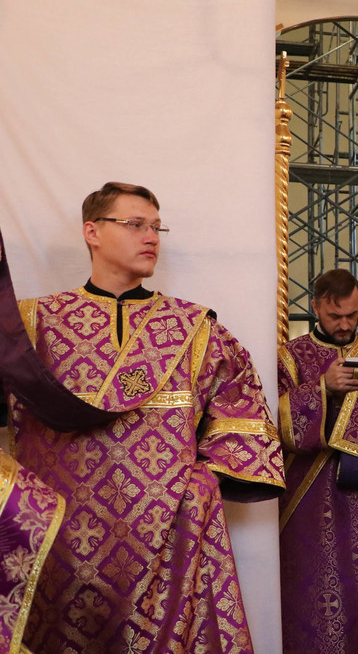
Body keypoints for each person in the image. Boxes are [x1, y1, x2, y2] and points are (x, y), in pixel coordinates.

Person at [2, 182, 285, 652]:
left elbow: (244, 415)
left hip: (169, 545)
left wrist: (201, 485)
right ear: (92, 232)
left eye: (156, 227)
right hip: (59, 542)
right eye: (135, 224)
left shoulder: (193, 328)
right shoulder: (32, 325)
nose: (151, 236)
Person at [277, 269, 358, 654]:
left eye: (352, 315)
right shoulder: (290, 356)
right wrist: (324, 387)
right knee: (320, 586)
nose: (345, 324)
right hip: (311, 499)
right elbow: (278, 423)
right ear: (316, 307)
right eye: (335, 316)